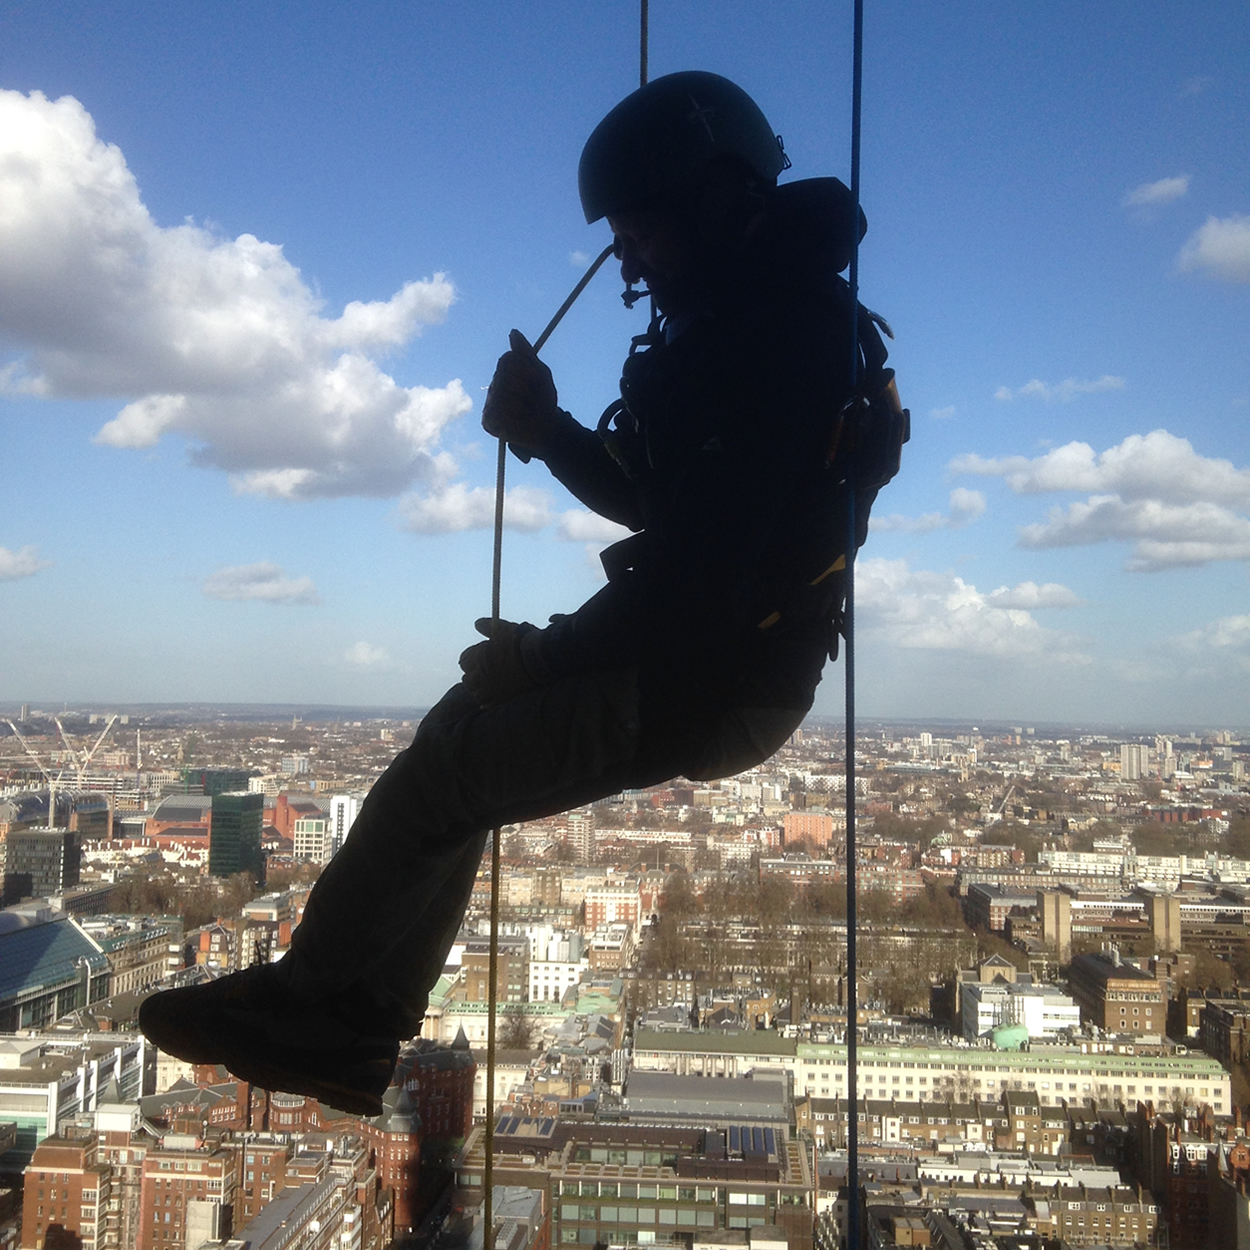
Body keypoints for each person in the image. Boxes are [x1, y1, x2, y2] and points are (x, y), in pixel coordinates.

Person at [139, 70, 905, 1116]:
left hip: (719, 673)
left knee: (453, 765)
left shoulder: (781, 339)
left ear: (719, 200)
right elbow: (662, 504)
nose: (627, 258)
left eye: (642, 231)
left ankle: (315, 1006)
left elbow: (696, 575)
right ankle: (353, 1021)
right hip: (713, 657)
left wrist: (541, 656)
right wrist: (549, 435)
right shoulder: (740, 322)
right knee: (460, 731)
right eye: (621, 236)